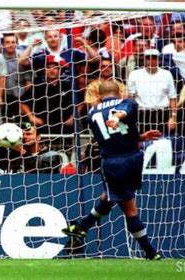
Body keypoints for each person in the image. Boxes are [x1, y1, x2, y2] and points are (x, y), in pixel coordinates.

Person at [62, 81, 162, 260]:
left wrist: (117, 119)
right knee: (109, 197)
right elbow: (123, 112)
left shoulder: (91, 113)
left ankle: (150, 253)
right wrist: (137, 134)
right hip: (134, 159)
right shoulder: (128, 102)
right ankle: (81, 229)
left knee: (128, 209)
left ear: (99, 96)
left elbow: (109, 135)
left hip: (113, 163)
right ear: (120, 92)